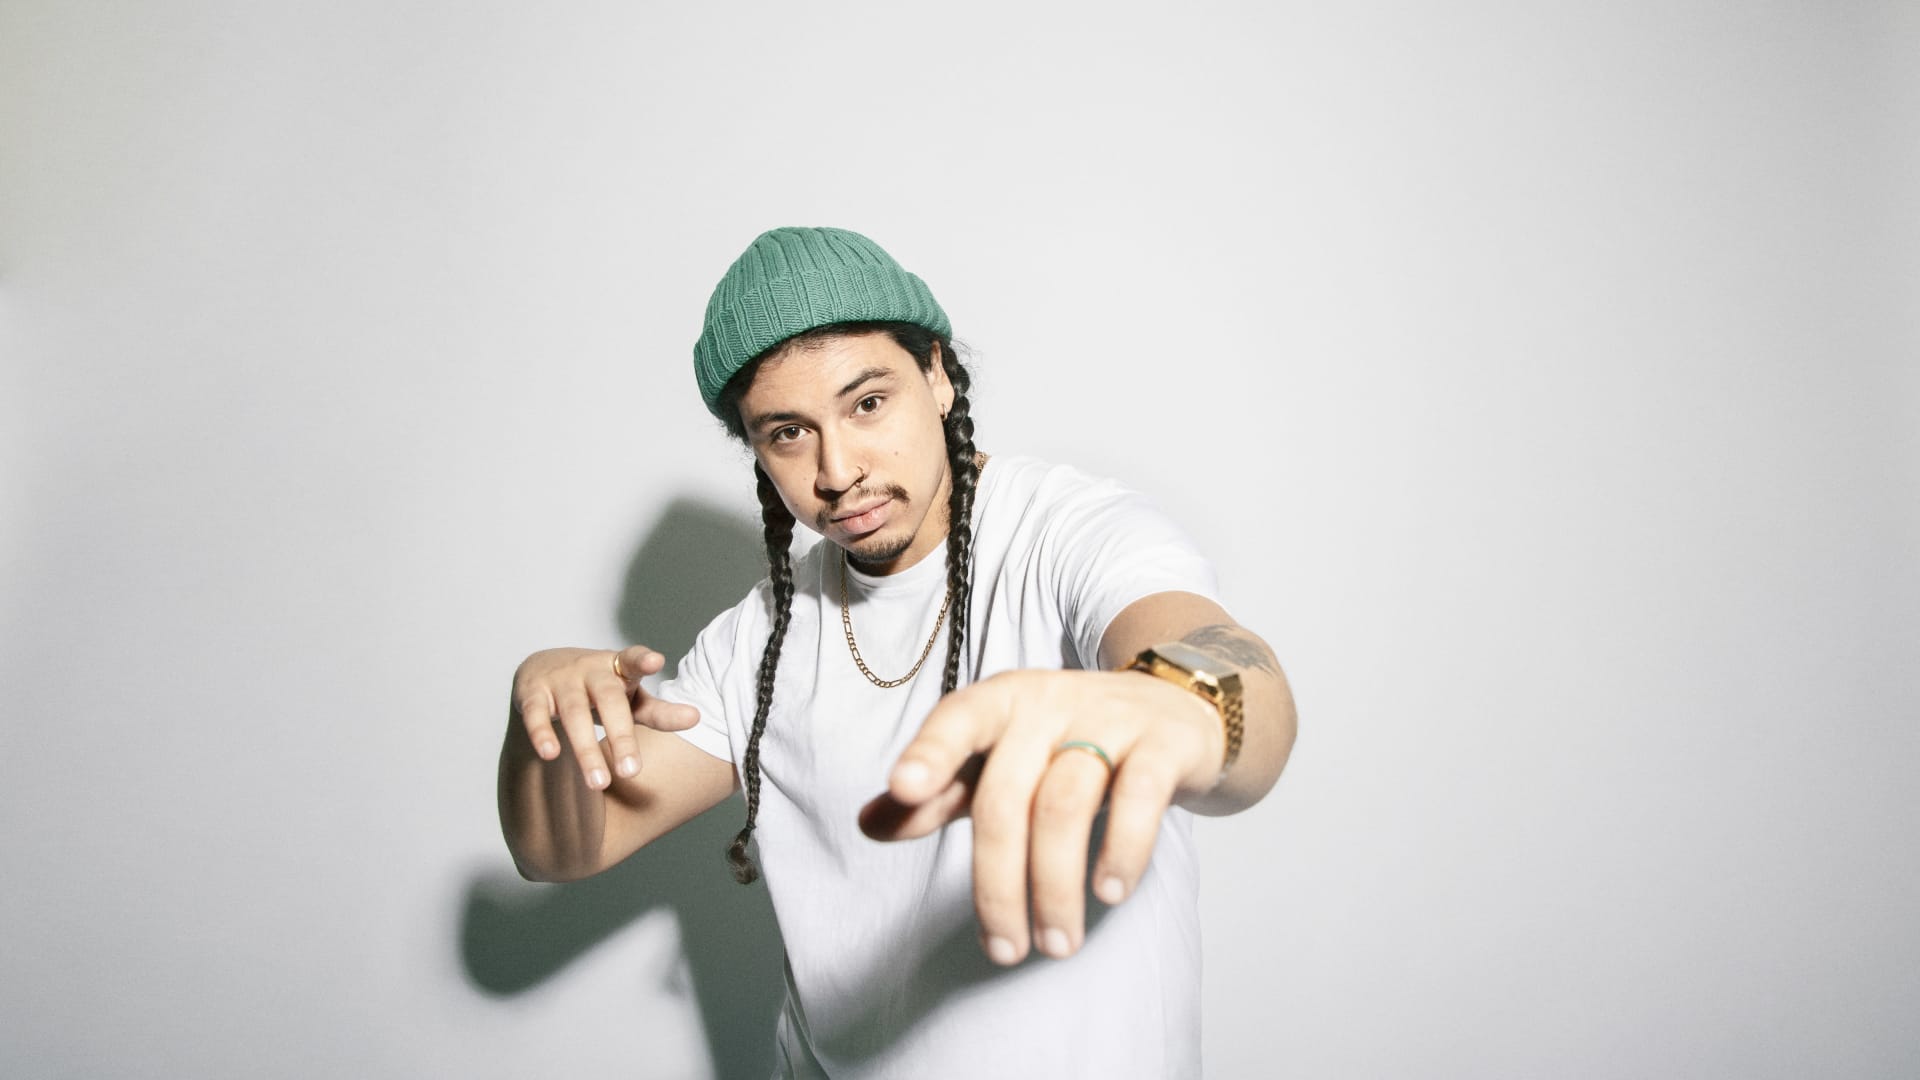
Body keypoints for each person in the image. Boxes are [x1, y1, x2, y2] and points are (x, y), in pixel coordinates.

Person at [497, 226, 1298, 1078]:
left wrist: (1172, 705)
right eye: (788, 433)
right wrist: (539, 717)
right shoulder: (760, 634)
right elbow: (561, 850)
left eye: (868, 403)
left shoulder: (1068, 533)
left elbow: (1225, 668)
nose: (838, 468)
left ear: (937, 375)